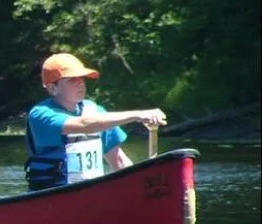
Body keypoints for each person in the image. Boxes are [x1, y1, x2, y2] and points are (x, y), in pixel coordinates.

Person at [25, 53, 168, 191]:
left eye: (81, 78)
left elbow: (119, 161)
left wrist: (143, 189)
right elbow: (85, 124)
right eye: (72, 80)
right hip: (55, 196)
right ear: (52, 88)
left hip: (91, 195)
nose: (81, 83)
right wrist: (138, 115)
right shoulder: (40, 114)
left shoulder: (95, 111)